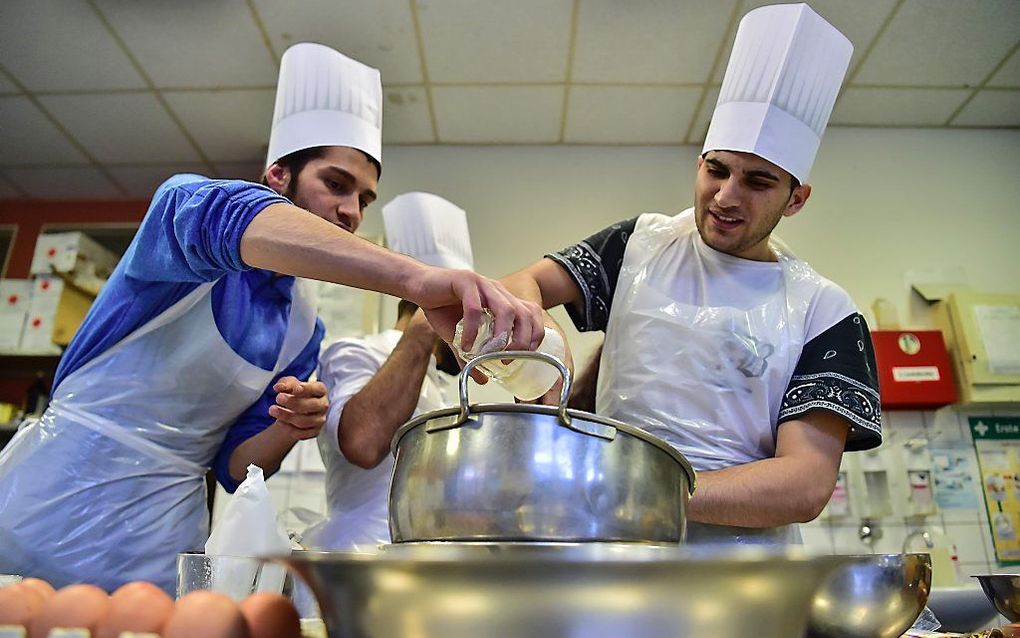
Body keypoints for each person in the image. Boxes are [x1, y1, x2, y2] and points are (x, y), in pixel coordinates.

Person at [0, 44, 541, 593]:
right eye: (335, 185)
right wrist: (416, 280)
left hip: (162, 540)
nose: (352, 211)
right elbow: (237, 219)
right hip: (52, 502)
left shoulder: (304, 330)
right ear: (278, 175)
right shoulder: (184, 216)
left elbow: (235, 467)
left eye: (365, 198)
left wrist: (287, 428)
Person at [501, 3, 882, 544]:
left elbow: (805, 483)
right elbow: (523, 285)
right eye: (716, 169)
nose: (726, 197)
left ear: (796, 199)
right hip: (616, 550)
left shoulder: (825, 312)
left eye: (757, 181)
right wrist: (540, 335)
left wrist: (647, 493)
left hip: (742, 576)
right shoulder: (640, 244)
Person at [310, 192, 472, 552]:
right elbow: (363, 445)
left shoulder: (435, 382)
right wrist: (427, 323)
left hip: (417, 560)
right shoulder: (354, 352)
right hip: (358, 558)